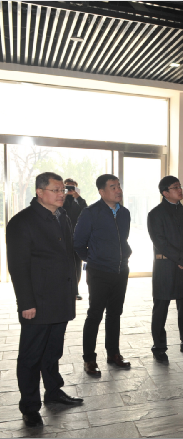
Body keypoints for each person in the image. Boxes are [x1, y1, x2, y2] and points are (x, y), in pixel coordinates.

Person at [7, 172, 84, 428]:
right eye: (56, 190)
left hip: (61, 298)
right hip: (37, 303)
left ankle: (53, 391)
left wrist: (73, 289)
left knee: (53, 351)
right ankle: (29, 406)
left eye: (63, 190)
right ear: (40, 192)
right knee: (30, 357)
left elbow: (69, 256)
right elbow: (18, 267)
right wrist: (26, 303)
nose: (62, 194)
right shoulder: (22, 221)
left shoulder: (62, 216)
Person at [74, 174, 132, 376]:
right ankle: (89, 359)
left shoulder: (124, 213)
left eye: (119, 186)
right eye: (113, 187)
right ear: (101, 191)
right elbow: (78, 243)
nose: (118, 190)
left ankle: (113, 354)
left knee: (115, 313)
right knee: (95, 314)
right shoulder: (90, 213)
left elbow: (122, 240)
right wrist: (94, 259)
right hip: (99, 272)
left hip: (121, 270)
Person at [147, 176, 183, 363]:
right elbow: (160, 242)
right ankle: (159, 348)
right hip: (165, 267)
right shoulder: (155, 214)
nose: (180, 190)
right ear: (165, 192)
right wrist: (181, 259)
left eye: (180, 186)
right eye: (175, 187)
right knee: (161, 309)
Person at [63, 178, 88, 300]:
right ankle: (64, 290)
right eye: (67, 187)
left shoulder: (79, 202)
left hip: (77, 238)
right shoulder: (60, 200)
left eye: (72, 187)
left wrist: (78, 197)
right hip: (63, 238)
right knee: (64, 265)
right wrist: (64, 195)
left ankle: (74, 291)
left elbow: (86, 211)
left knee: (77, 266)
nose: (70, 189)